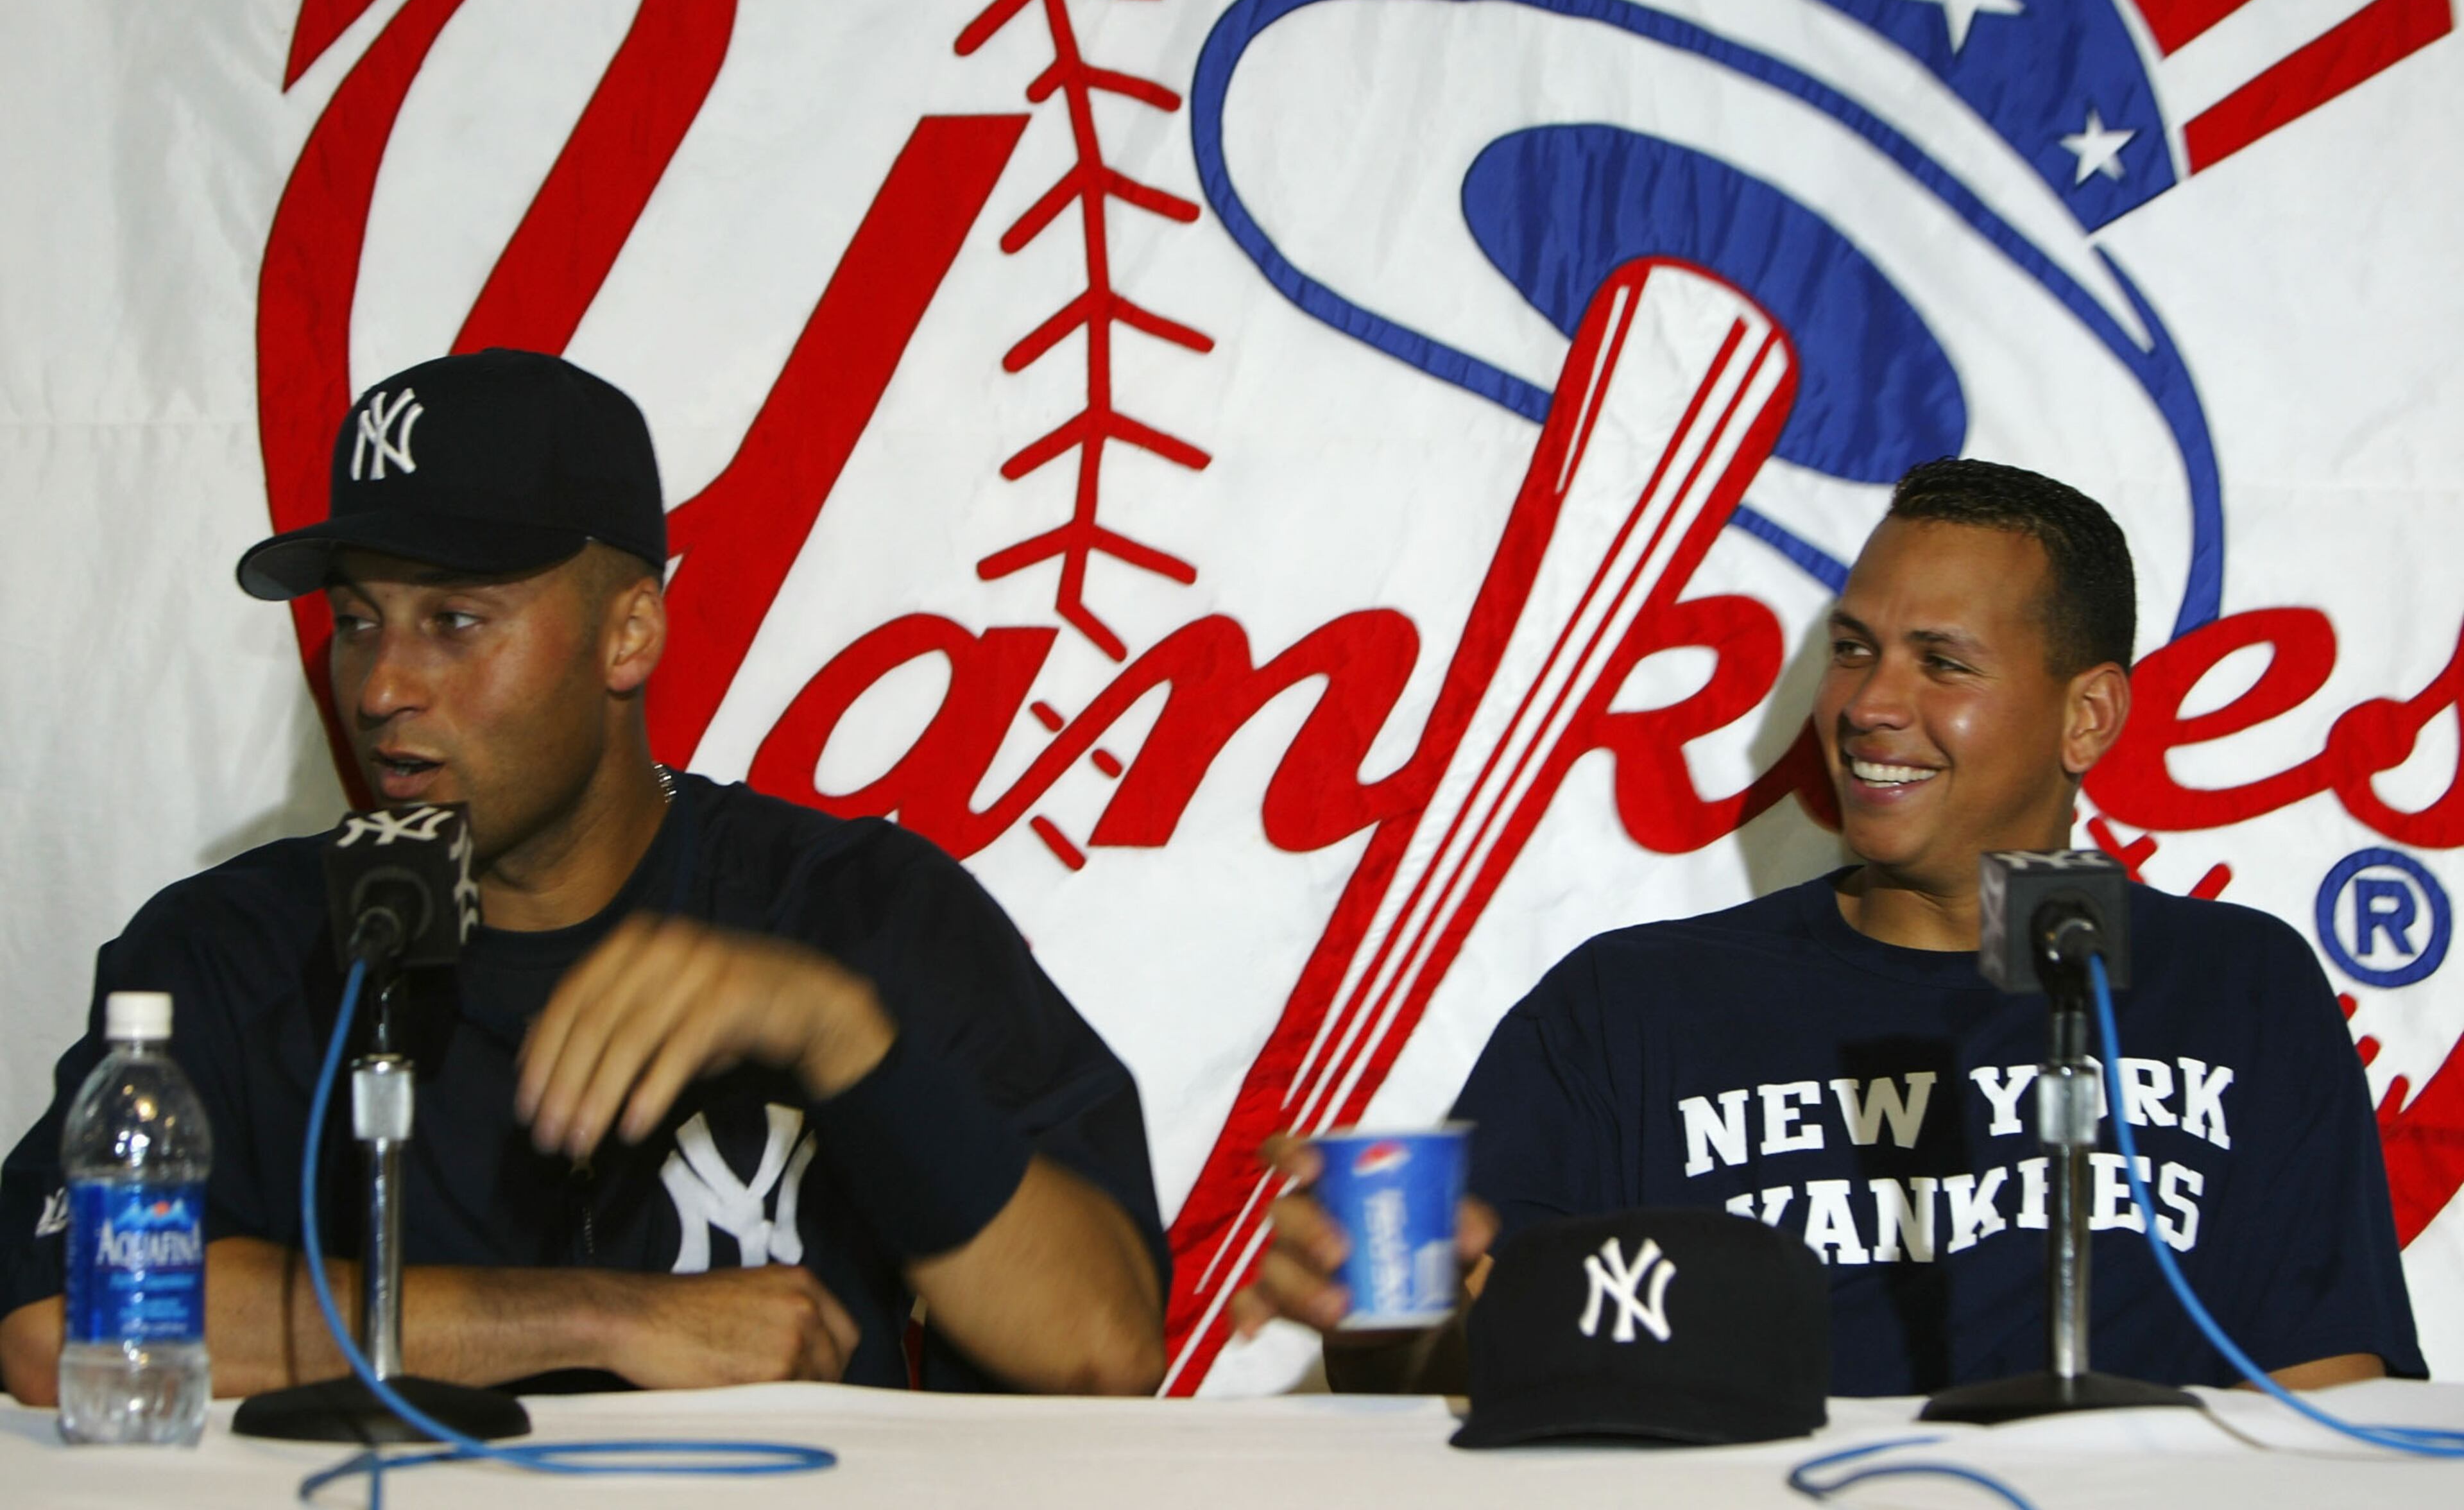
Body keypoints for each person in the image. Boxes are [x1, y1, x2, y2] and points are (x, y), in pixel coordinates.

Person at [0, 349, 1168, 1403]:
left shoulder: (850, 907)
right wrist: (599, 1321)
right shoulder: (236, 942)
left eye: (456, 620)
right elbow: (63, 1329)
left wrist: (835, 1036)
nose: (381, 687)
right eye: (358, 621)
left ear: (629, 636)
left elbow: (1103, 1348)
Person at [1235, 458, 2424, 1396]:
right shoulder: (1632, 1003)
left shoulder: (2239, 984)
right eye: (1853, 649)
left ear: (2089, 716)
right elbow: (1438, 1367)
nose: (1869, 706)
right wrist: (1385, 1312)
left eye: (1941, 663)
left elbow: (2332, 1384)